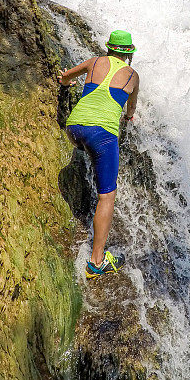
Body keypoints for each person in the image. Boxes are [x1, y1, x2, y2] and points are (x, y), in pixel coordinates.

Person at [57, 30, 139, 279]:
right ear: (129, 53)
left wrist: (65, 84)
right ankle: (96, 261)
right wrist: (128, 116)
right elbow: (131, 108)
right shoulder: (132, 76)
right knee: (107, 196)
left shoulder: (94, 62)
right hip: (101, 135)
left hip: (74, 128)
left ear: (109, 49)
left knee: (88, 149)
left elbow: (65, 76)